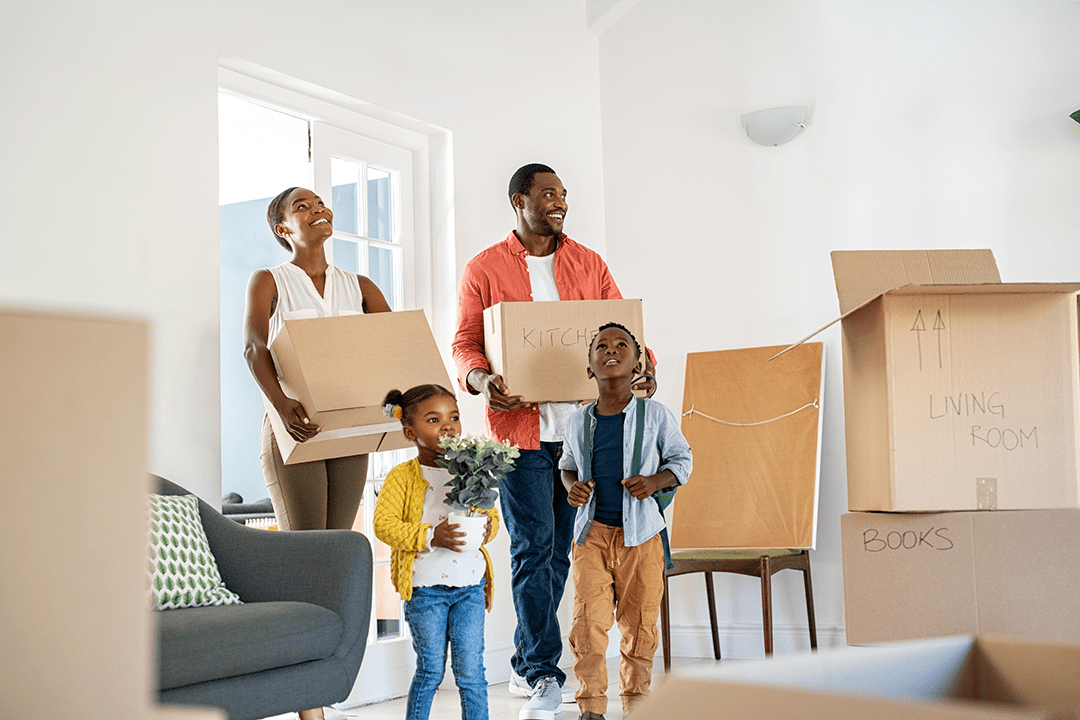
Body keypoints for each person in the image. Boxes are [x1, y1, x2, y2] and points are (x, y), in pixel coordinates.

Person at [451, 163, 655, 720]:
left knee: (564, 547)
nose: (559, 202)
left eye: (563, 194)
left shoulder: (589, 263)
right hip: (522, 435)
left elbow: (626, 332)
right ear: (519, 200)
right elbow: (466, 344)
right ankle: (542, 669)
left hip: (585, 434)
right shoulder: (485, 268)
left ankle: (524, 660)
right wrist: (483, 382)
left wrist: (646, 366)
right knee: (531, 547)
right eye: (547, 194)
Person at [243, 187, 392, 720]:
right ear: (284, 228)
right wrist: (282, 405)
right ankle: (309, 706)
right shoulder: (271, 280)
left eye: (320, 203)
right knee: (305, 556)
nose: (318, 210)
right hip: (296, 431)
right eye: (302, 207)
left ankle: (319, 681)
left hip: (348, 435)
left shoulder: (361, 286)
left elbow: (392, 349)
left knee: (336, 555)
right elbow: (254, 346)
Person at [560, 323, 692, 719]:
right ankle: (591, 707)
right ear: (590, 367)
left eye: (622, 345)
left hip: (642, 538)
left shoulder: (656, 415)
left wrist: (655, 481)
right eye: (601, 346)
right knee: (588, 623)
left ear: (639, 364)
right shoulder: (577, 420)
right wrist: (573, 486)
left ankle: (637, 704)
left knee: (640, 624)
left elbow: (682, 461)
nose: (611, 350)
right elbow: (566, 465)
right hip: (591, 536)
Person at [374, 384, 499, 720]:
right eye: (434, 419)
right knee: (430, 670)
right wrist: (432, 536)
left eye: (454, 418)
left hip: (470, 589)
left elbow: (491, 517)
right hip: (425, 591)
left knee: (472, 672)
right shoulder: (402, 477)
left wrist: (488, 527)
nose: (448, 426)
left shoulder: (472, 470)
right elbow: (384, 525)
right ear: (409, 432)